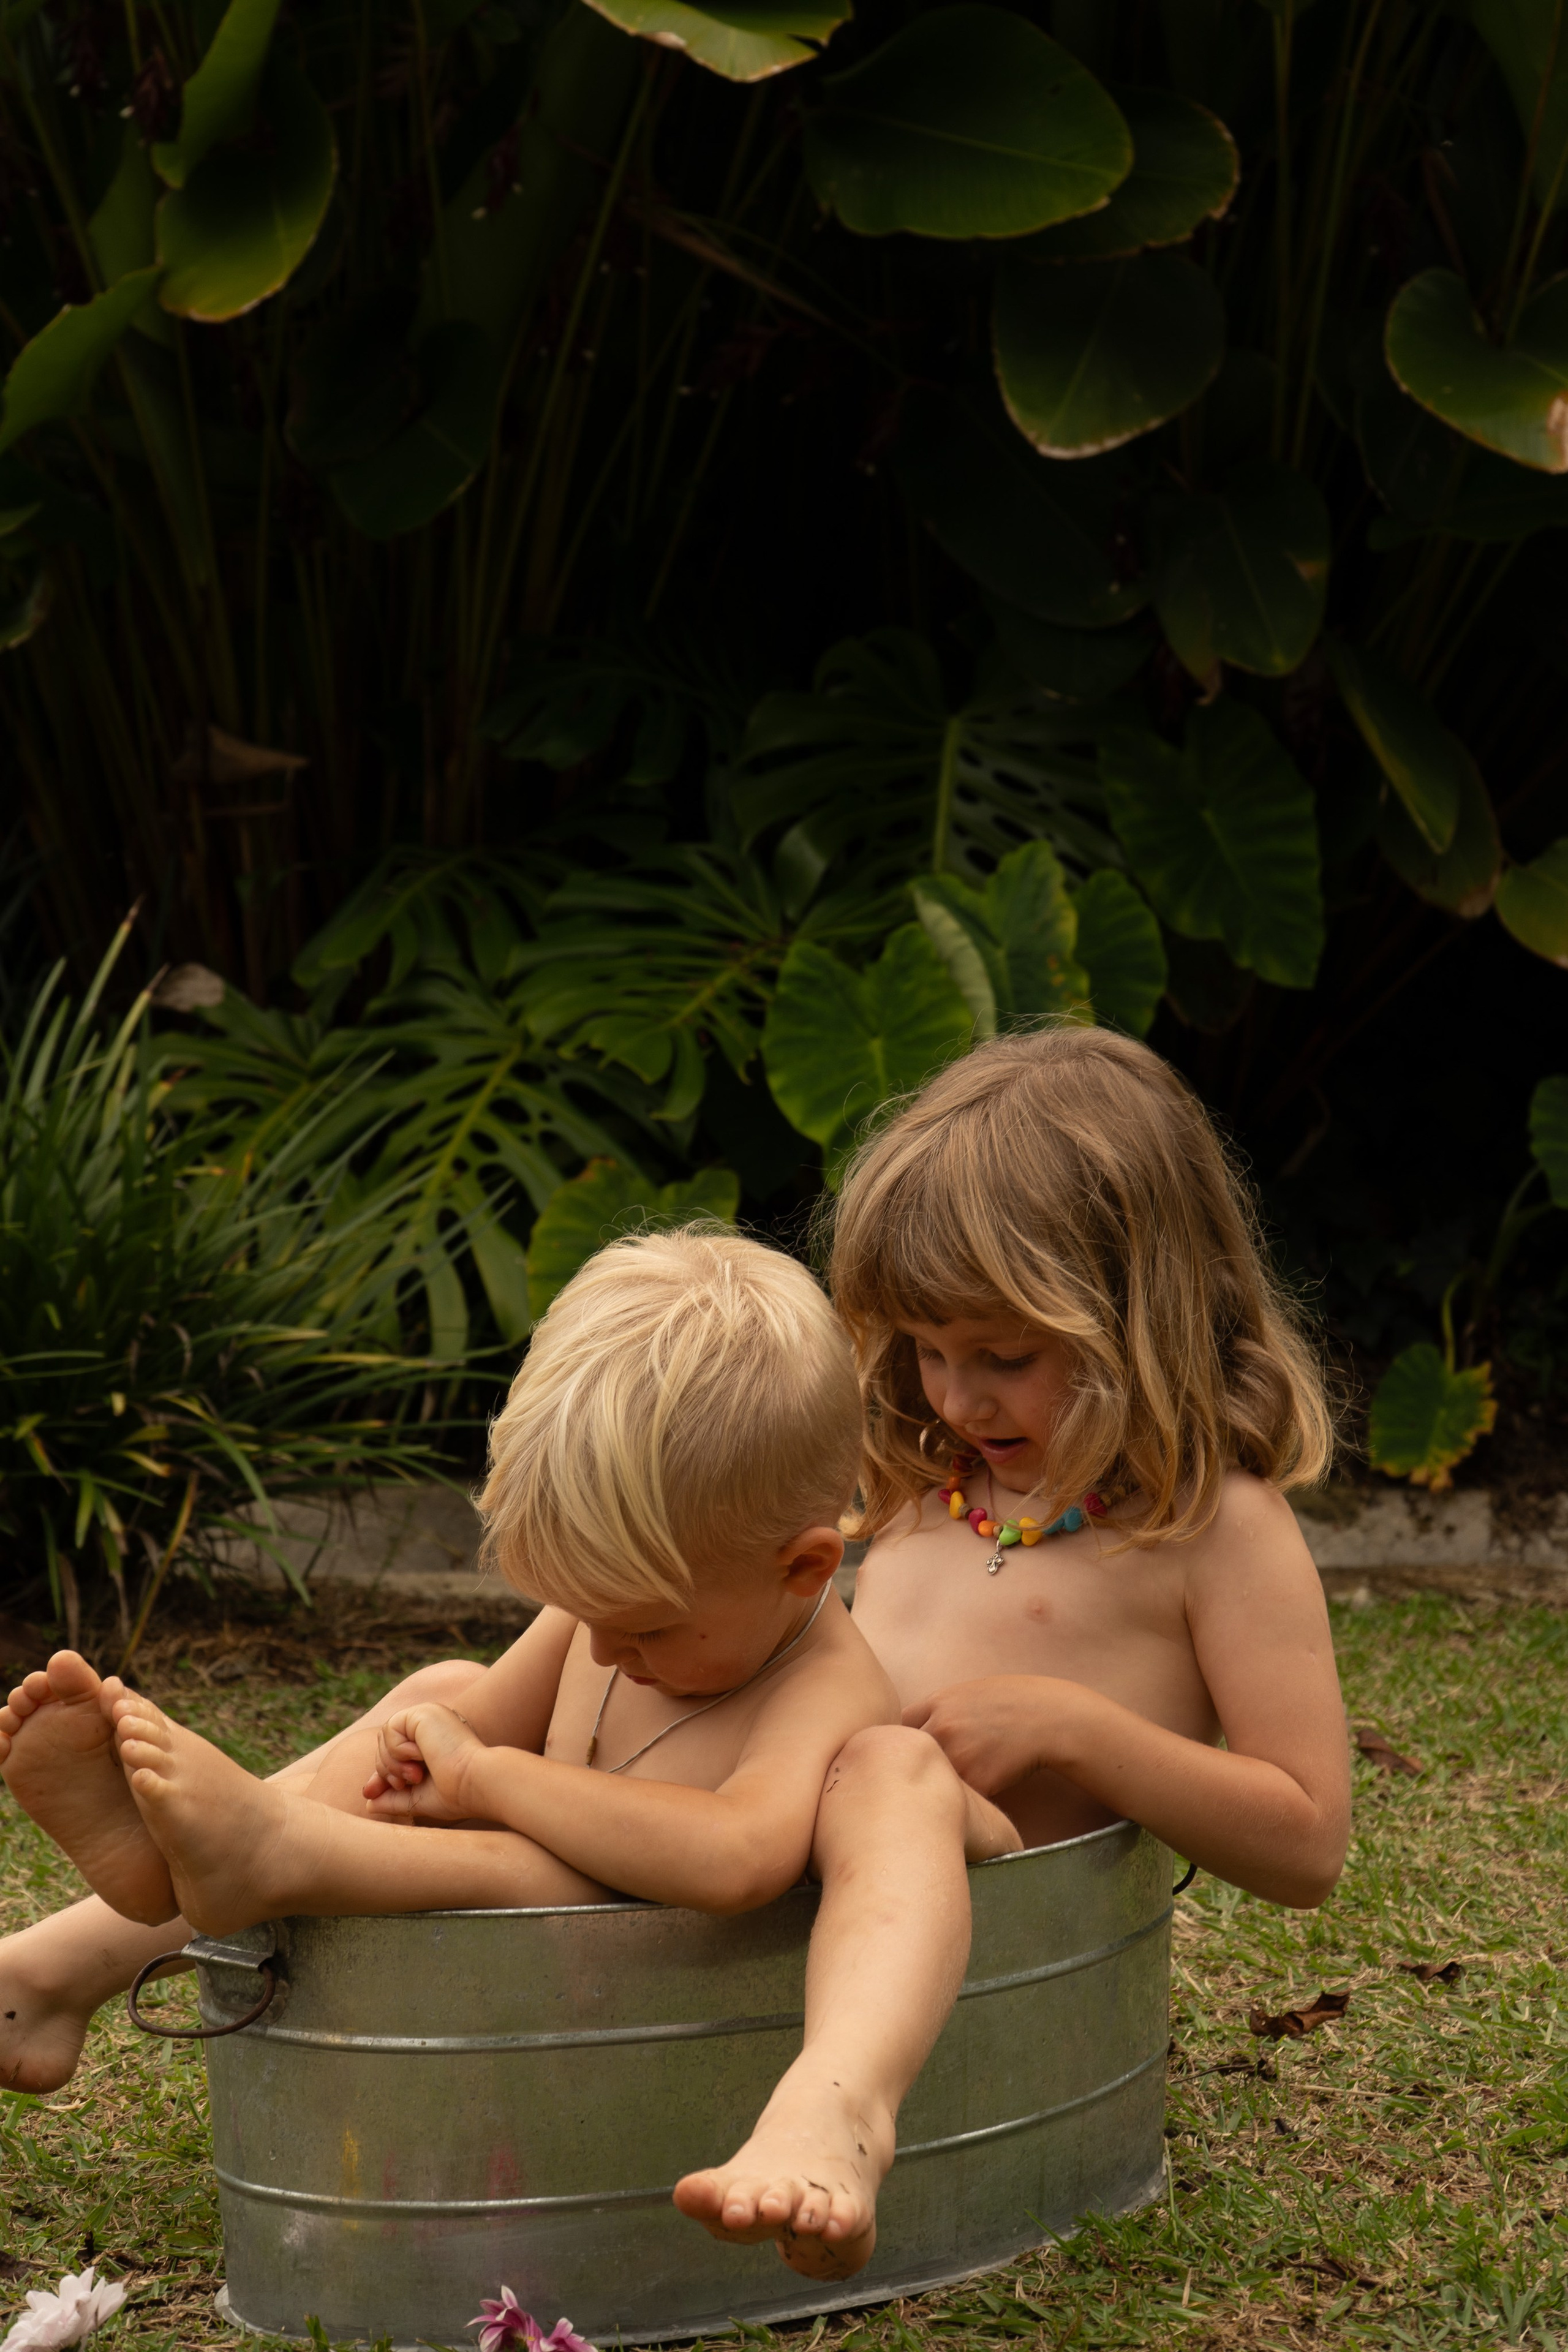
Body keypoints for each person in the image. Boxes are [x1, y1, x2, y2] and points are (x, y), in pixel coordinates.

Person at [0, 1027, 1351, 2286]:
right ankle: (72, 1957)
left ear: (1146, 1315)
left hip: (918, 1884)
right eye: (925, 1350)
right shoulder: (916, 1484)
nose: (950, 1397)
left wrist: (1075, 1730)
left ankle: (836, 2105)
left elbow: (1305, 1844)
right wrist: (482, 1739)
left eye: (1000, 1355)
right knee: (442, 1703)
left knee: (883, 1766)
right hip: (749, 1869)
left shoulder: (1214, 1531)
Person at [0, 1227, 897, 1970]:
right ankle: (58, 1964)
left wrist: (488, 1779)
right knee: (436, 1695)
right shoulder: (617, 1622)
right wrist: (423, 1760)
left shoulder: (826, 1686)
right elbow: (467, 1729)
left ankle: (270, 1848)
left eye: (643, 1628)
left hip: (649, 1966)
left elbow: (738, 1858)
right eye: (586, 1615)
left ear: (805, 1568)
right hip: (531, 1959)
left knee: (525, 1860)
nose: (599, 1653)